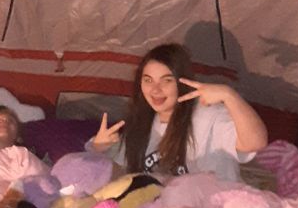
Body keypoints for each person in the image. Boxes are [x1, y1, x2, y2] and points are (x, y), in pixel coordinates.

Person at [89, 43, 268, 181]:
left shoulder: (209, 115)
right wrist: (99, 150)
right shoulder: (140, 125)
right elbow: (119, 179)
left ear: (182, 82)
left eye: (166, 81)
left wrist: (229, 95)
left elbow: (255, 143)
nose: (155, 90)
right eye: (148, 80)